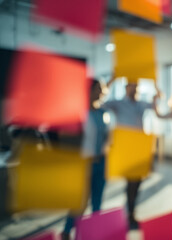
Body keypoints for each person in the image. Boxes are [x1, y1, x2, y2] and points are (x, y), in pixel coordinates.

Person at [102, 77, 155, 229]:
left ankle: (130, 211)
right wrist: (111, 80)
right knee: (131, 183)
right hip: (126, 150)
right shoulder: (118, 103)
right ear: (126, 88)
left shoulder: (141, 104)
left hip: (140, 149)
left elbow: (157, 103)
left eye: (136, 87)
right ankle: (130, 214)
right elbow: (101, 101)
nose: (134, 89)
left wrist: (156, 85)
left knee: (136, 182)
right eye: (131, 86)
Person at [61, 79, 108, 240]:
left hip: (101, 162)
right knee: (79, 203)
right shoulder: (79, 113)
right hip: (84, 164)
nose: (100, 93)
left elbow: (104, 138)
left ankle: (93, 233)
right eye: (97, 89)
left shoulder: (102, 112)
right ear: (89, 91)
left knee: (97, 202)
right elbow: (68, 139)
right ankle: (67, 232)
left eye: (100, 90)